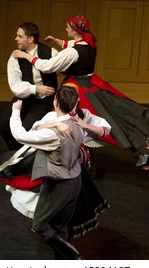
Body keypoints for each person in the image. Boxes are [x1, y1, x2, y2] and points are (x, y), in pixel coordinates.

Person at [0, 85, 111, 259]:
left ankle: (74, 258)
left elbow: (20, 135)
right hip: (75, 180)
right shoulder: (78, 123)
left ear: (55, 102)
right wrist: (64, 124)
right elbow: (103, 130)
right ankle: (63, 264)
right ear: (75, 104)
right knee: (61, 227)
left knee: (40, 226)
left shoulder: (54, 131)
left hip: (59, 183)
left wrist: (16, 111)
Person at [11, 15, 149, 170]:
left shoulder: (73, 53)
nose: (66, 29)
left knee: (73, 118)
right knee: (114, 111)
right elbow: (74, 46)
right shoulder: (88, 41)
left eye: (68, 27)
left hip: (78, 87)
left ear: (75, 30)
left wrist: (26, 56)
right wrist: (59, 42)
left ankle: (76, 153)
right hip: (90, 82)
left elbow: (48, 66)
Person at [0, 22, 58, 150]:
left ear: (30, 39)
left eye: (19, 36)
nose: (16, 39)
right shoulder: (15, 57)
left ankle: (24, 160)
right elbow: (15, 86)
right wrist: (36, 88)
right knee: (4, 125)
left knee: (25, 130)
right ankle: (16, 154)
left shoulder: (50, 53)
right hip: (24, 97)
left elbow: (65, 66)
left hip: (43, 100)